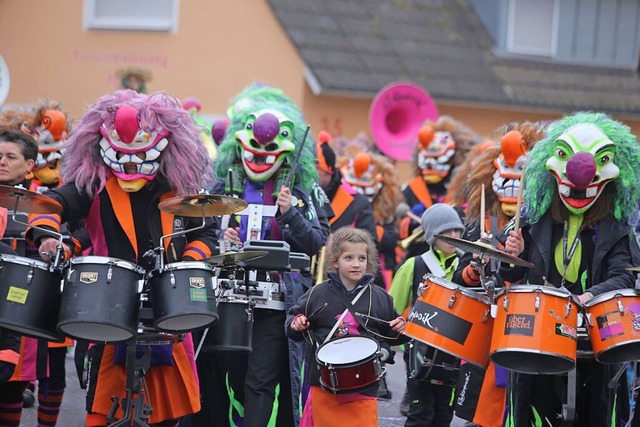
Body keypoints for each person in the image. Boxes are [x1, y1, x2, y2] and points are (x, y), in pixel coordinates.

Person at [27, 89, 217, 427]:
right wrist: (46, 237)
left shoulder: (177, 189)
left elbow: (204, 233)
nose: (130, 163)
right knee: (104, 406)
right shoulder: (95, 185)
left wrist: (186, 263)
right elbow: (50, 203)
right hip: (106, 304)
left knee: (165, 409)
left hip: (165, 306)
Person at [189, 84, 329, 427]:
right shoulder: (222, 184)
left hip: (276, 303)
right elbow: (196, 232)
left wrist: (291, 215)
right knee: (225, 378)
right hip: (225, 299)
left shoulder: (300, 189)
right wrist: (224, 237)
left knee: (261, 380)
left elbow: (318, 242)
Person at [499, 112, 640, 426]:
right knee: (536, 411)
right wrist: (512, 255)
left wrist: (589, 296)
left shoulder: (616, 229)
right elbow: (506, 274)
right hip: (538, 338)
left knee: (593, 413)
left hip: (594, 336)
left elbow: (624, 275)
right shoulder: (532, 221)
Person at [286, 226, 407, 427]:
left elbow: (391, 336)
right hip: (324, 385)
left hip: (364, 386)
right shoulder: (317, 294)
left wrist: (401, 328)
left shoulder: (380, 297)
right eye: (348, 258)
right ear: (335, 261)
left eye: (362, 258)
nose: (356, 264)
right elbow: (293, 322)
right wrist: (296, 323)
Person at [388, 203, 465, 426]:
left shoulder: (465, 268)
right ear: (433, 234)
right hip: (419, 354)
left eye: (457, 231)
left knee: (443, 415)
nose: (454, 236)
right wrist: (403, 342)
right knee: (420, 415)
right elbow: (392, 307)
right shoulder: (414, 265)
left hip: (451, 353)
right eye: (447, 231)